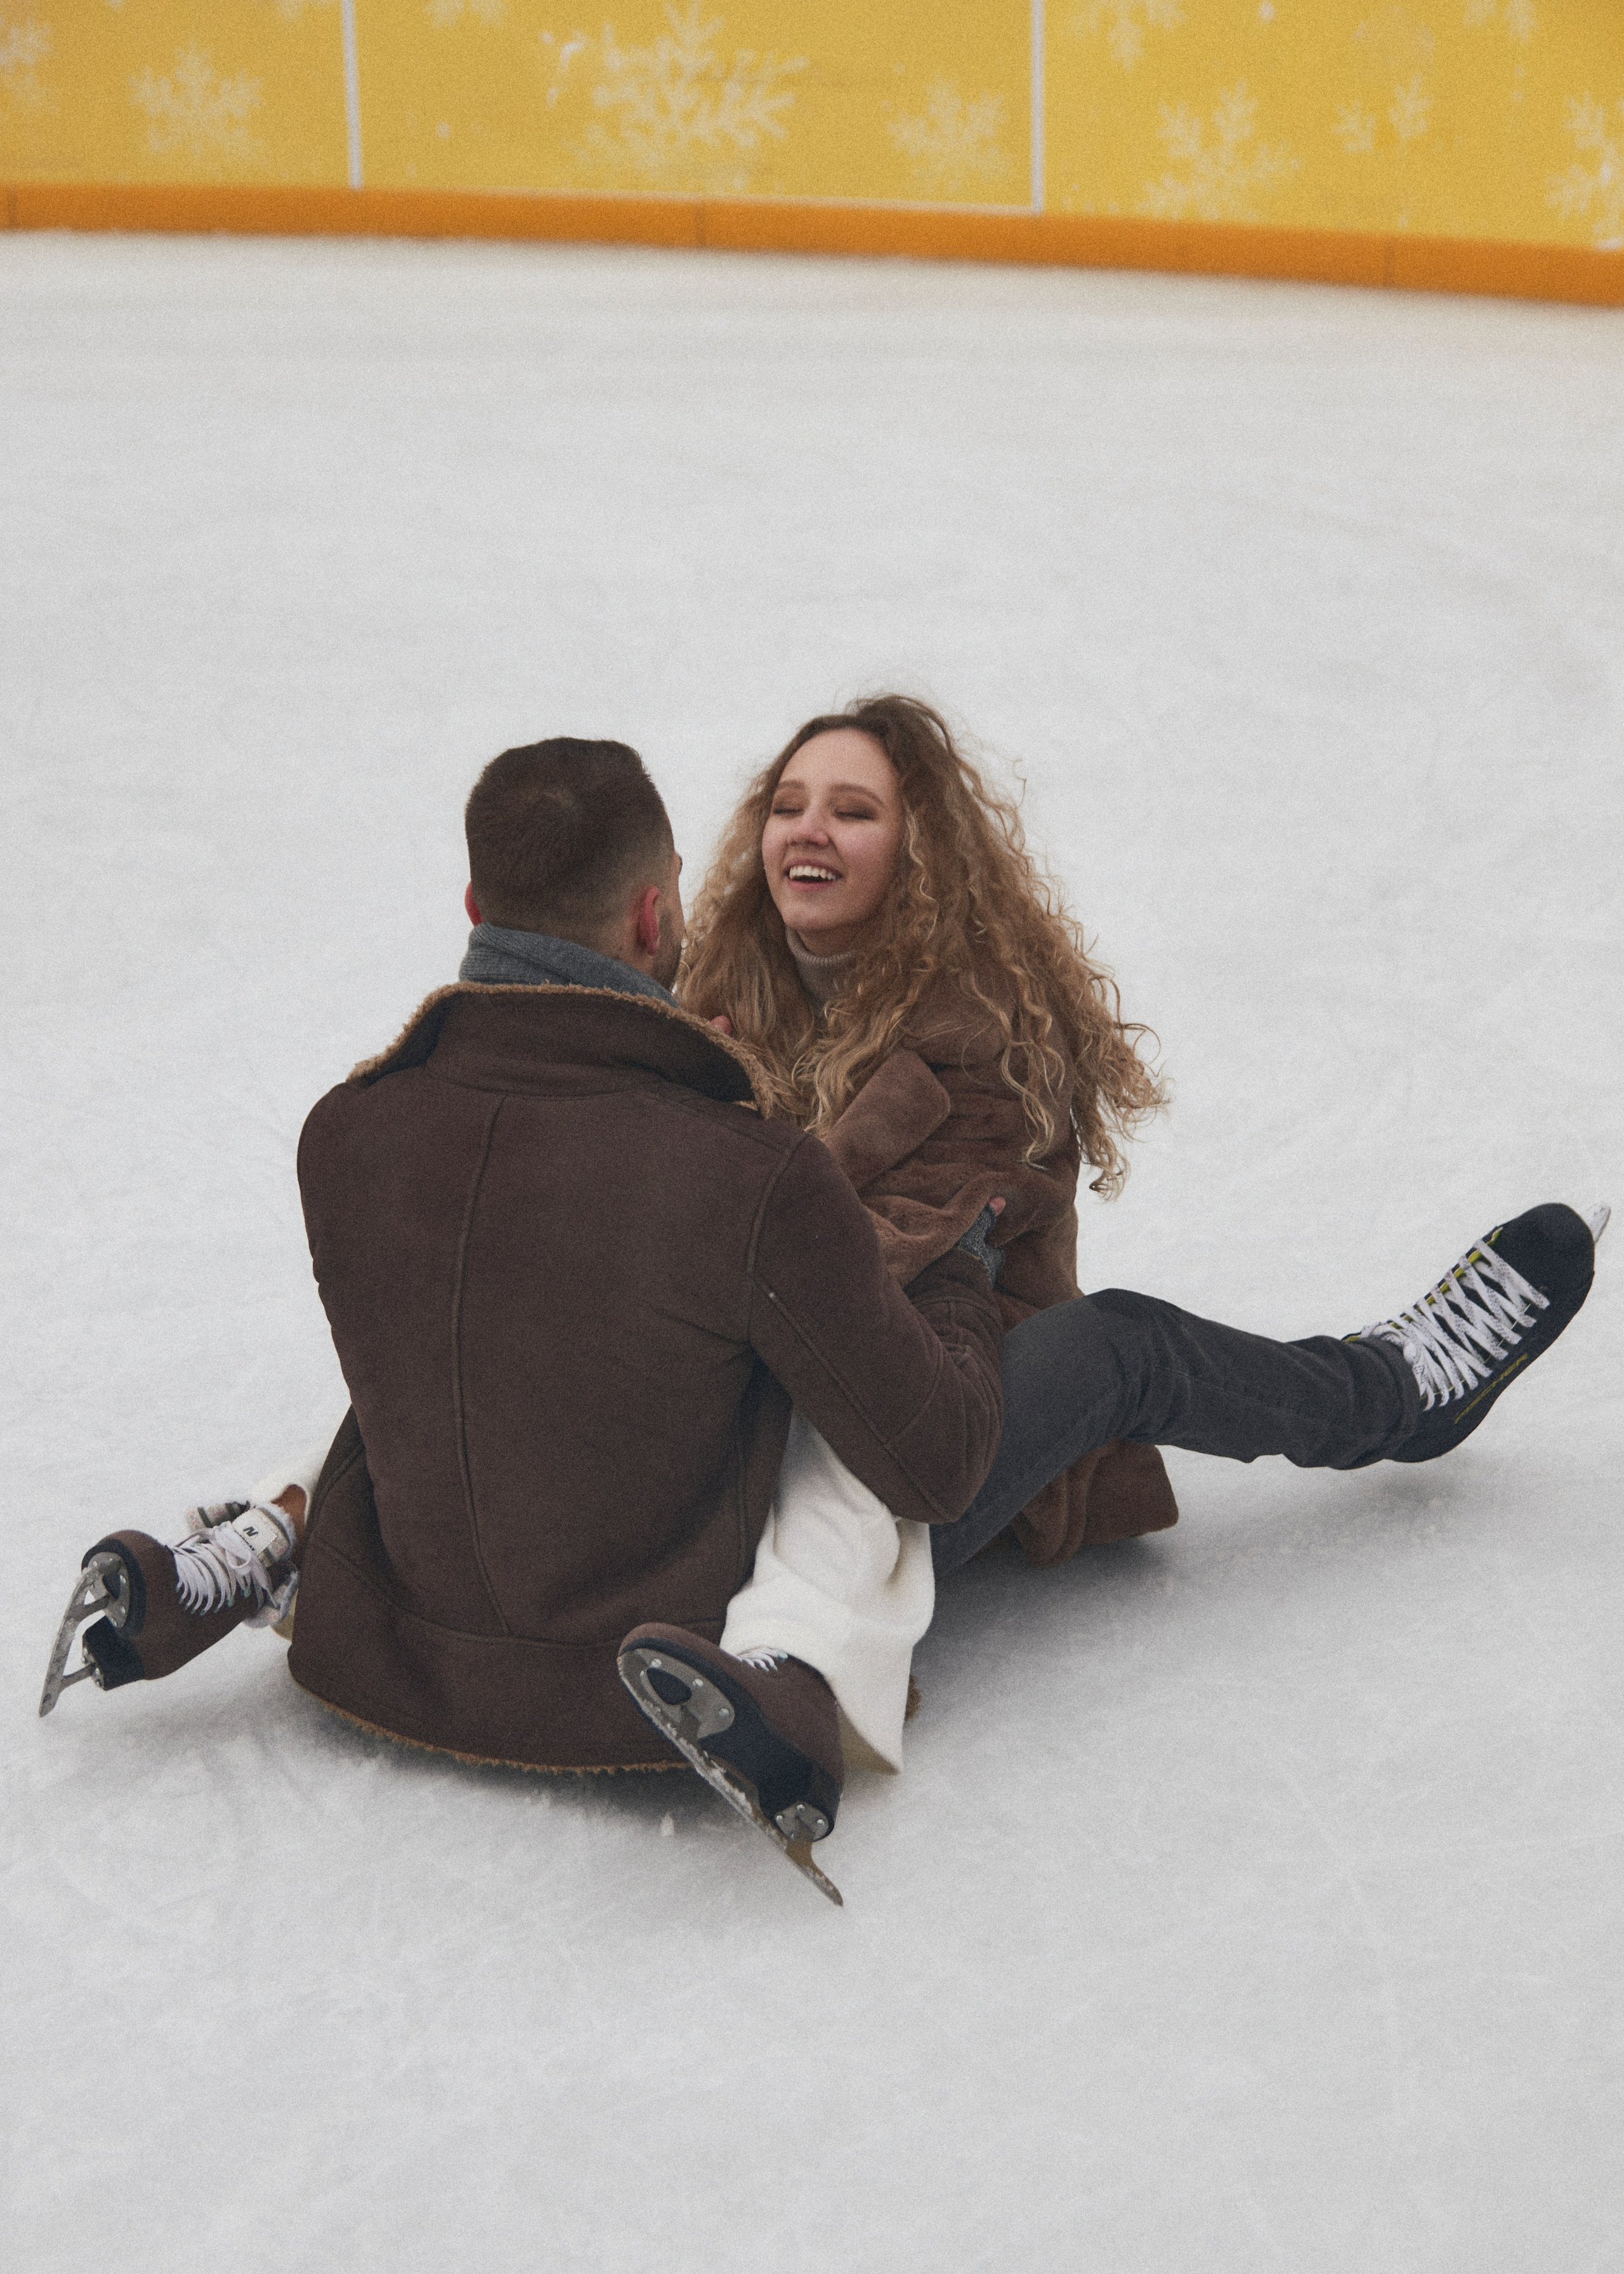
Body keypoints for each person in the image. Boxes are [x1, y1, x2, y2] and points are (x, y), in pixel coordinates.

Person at [43, 721, 1607, 1893]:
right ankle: (278, 1536)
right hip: (741, 1472)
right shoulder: (707, 1055)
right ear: (666, 907)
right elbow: (804, 1348)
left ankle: (1387, 1388)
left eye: (852, 808)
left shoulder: (969, 1043)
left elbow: (873, 1305)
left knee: (1101, 1341)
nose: (808, 828)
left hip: (848, 1423)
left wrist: (763, 1199)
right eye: (788, 802)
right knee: (500, 1298)